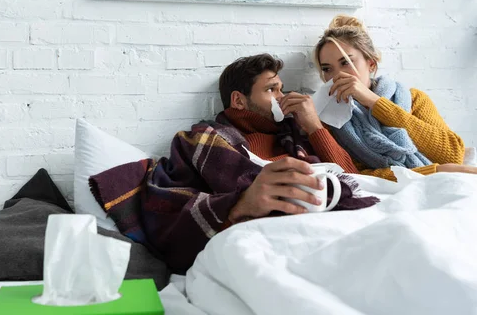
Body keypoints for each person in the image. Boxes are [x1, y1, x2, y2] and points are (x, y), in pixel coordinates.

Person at [90, 54, 377, 274]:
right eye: (271, 90)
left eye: (282, 88)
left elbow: (354, 180)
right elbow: (173, 212)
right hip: (267, 238)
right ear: (239, 101)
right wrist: (241, 202)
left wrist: (314, 126)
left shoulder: (293, 137)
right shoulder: (206, 140)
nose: (283, 96)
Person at [313, 15, 475, 180]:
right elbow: (357, 176)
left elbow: (453, 155)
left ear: (371, 64)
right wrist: (435, 172)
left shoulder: (414, 99)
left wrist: (374, 102)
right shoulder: (330, 120)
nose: (337, 75)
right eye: (327, 69)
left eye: (346, 62)